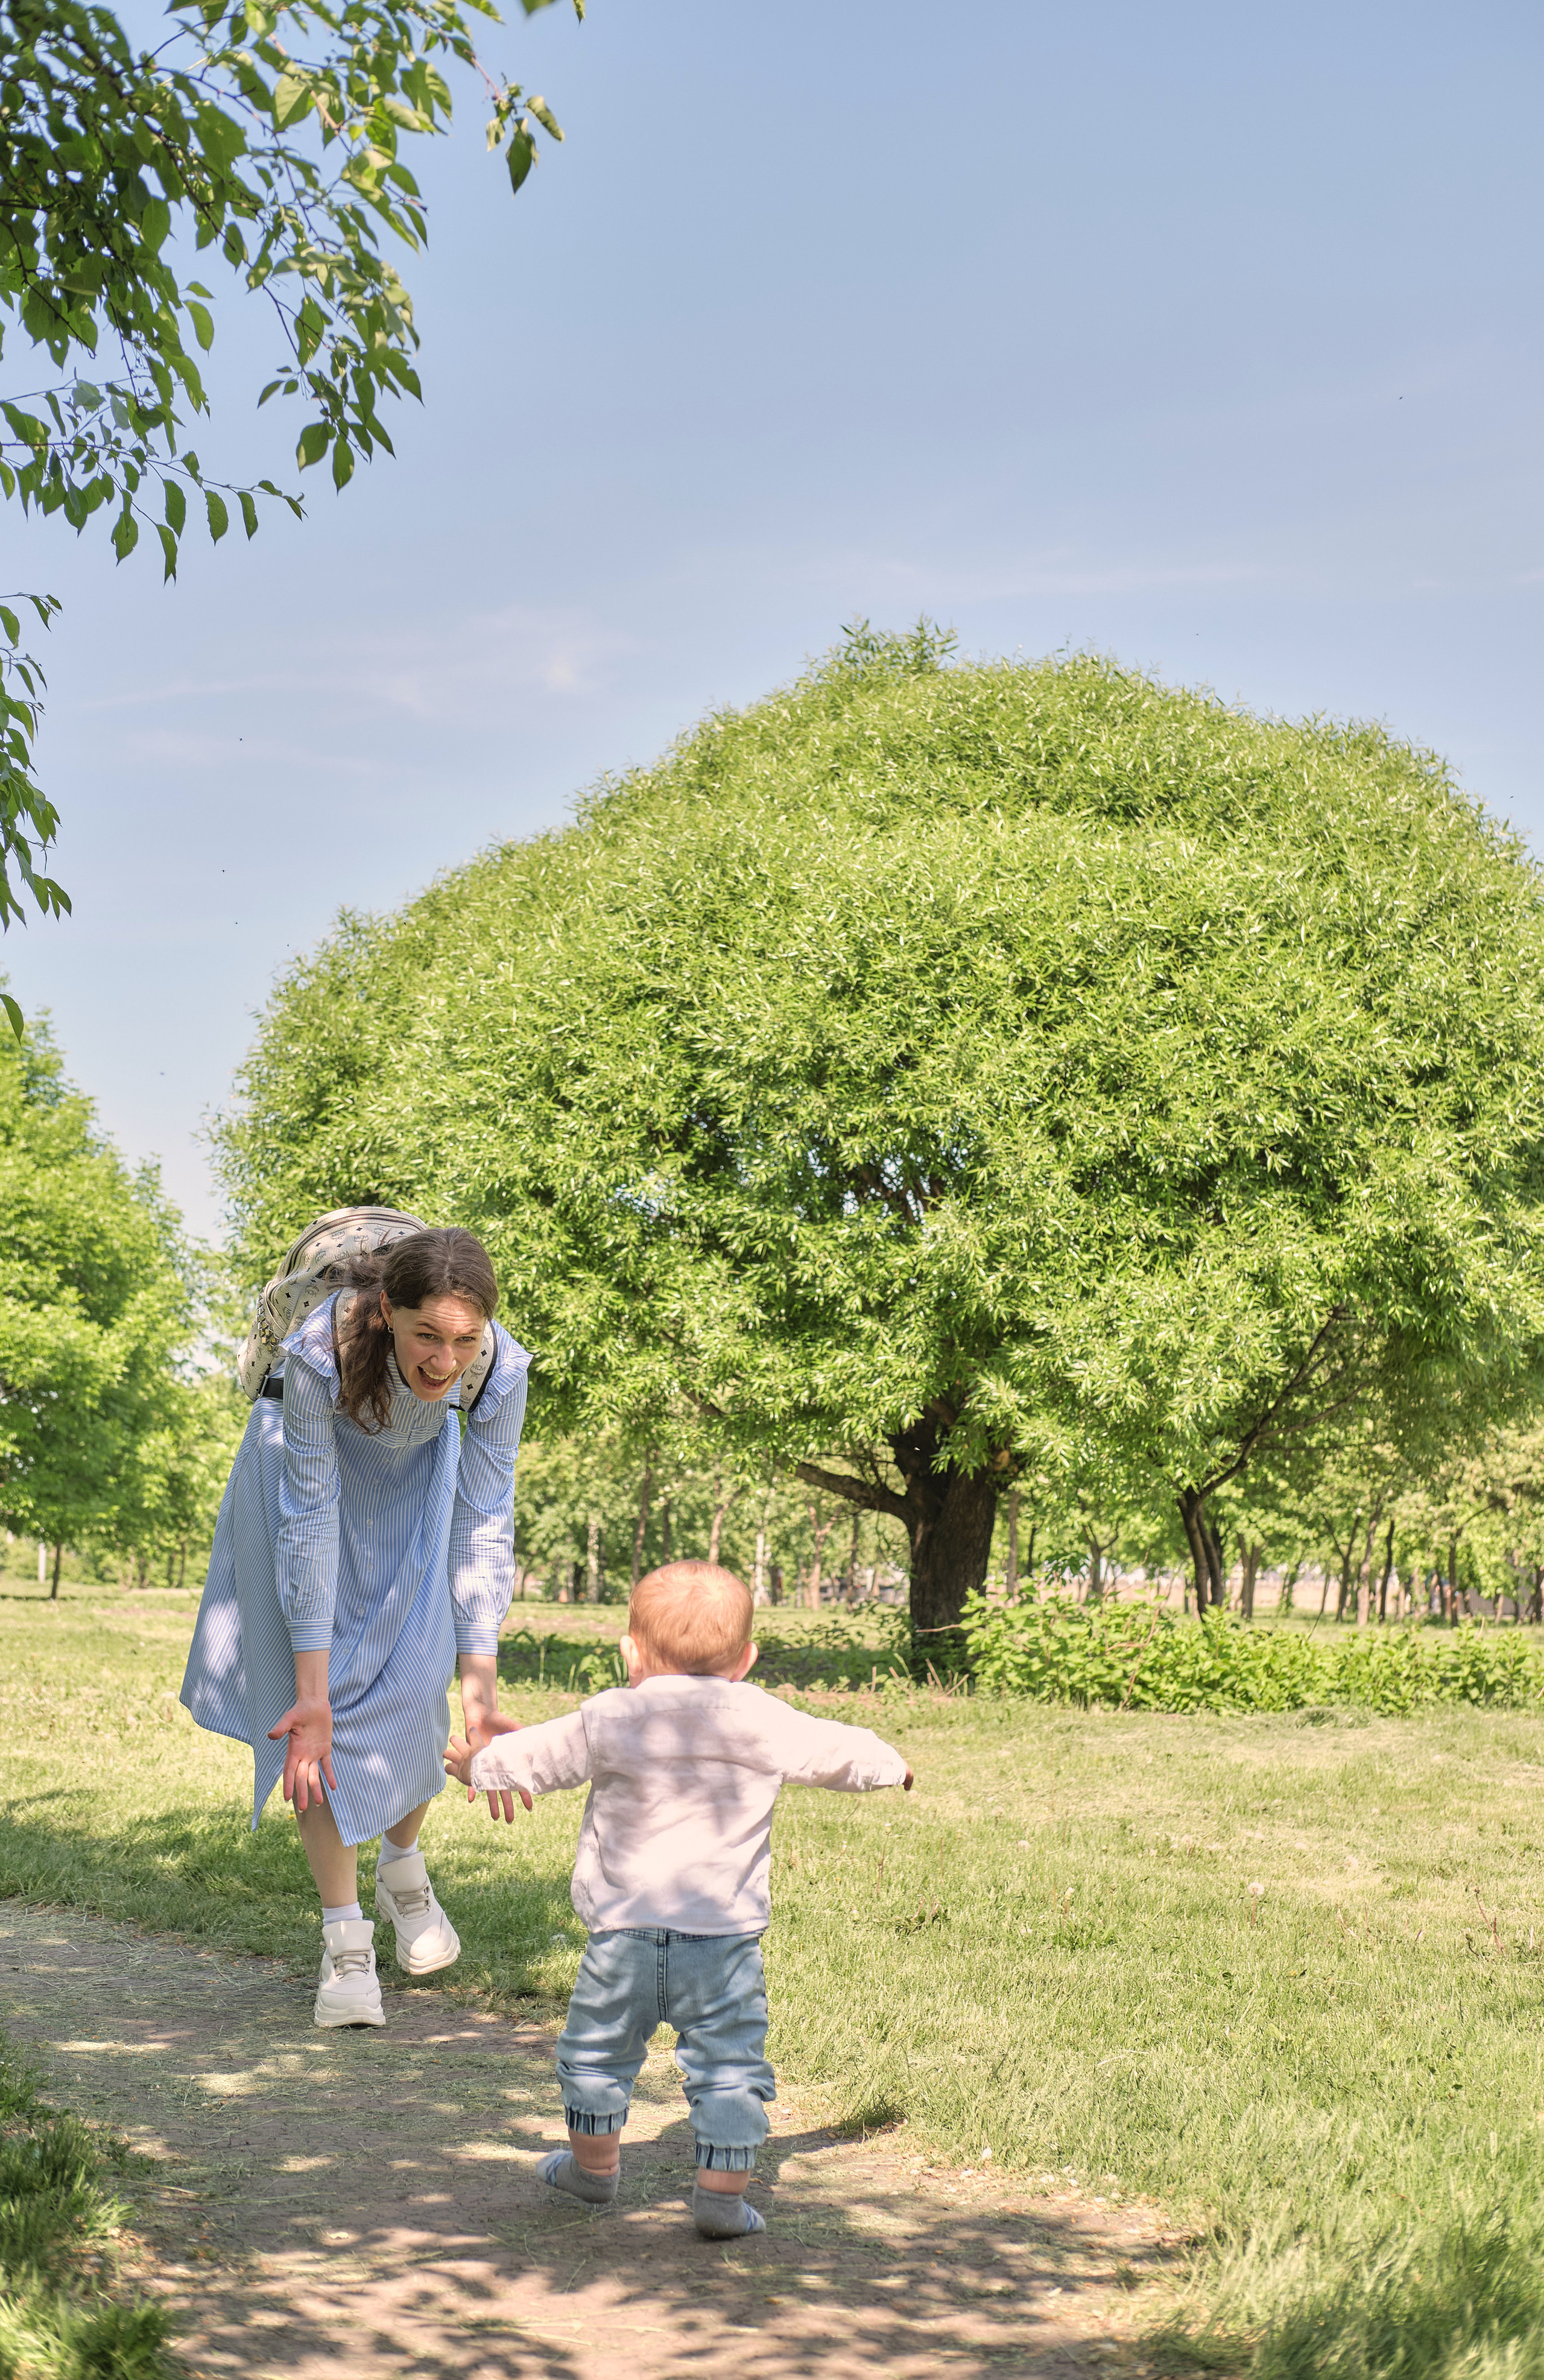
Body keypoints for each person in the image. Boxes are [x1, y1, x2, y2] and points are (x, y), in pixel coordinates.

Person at [444, 1558, 913, 2238]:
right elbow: (837, 1749)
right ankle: (721, 2197)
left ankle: (594, 2171)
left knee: (596, 2055)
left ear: (630, 1652)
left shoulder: (612, 1714)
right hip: (723, 1945)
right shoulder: (764, 1718)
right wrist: (891, 1765)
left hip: (621, 1939)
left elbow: (541, 1754)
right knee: (730, 2068)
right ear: (746, 1659)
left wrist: (478, 1766)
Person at [182, 1225, 530, 2029]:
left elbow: (484, 1519)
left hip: (416, 1485)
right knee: (320, 1721)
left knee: (418, 1683)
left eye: (464, 1339)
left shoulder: (497, 1370)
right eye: (426, 1335)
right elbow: (309, 1517)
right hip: (303, 1483)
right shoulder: (319, 1353)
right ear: (386, 1311)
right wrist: (312, 1693)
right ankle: (345, 1942)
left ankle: (401, 1871)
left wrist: (481, 1694)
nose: (445, 1360)